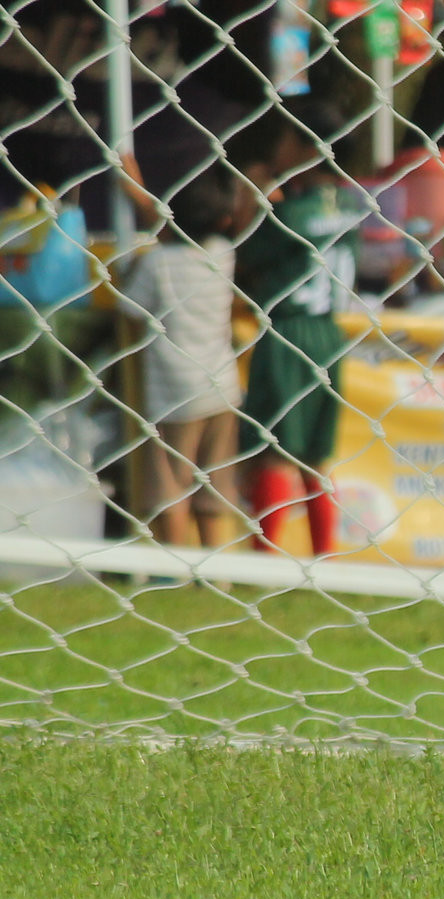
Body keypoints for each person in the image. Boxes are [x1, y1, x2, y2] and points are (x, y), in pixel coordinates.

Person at [235, 99, 364, 557]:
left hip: (288, 333)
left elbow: (244, 255)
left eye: (285, 139)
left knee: (274, 450)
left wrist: (251, 196)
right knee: (315, 456)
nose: (277, 149)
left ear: (309, 149)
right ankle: (323, 555)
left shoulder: (289, 215)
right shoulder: (350, 205)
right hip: (329, 333)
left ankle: (265, 558)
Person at [115, 167, 249, 549]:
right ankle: (215, 567)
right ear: (222, 220)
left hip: (174, 393)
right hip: (221, 387)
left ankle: (174, 566)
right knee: (215, 486)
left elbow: (129, 308)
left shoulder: (158, 264)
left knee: (171, 485)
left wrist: (132, 263)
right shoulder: (223, 254)